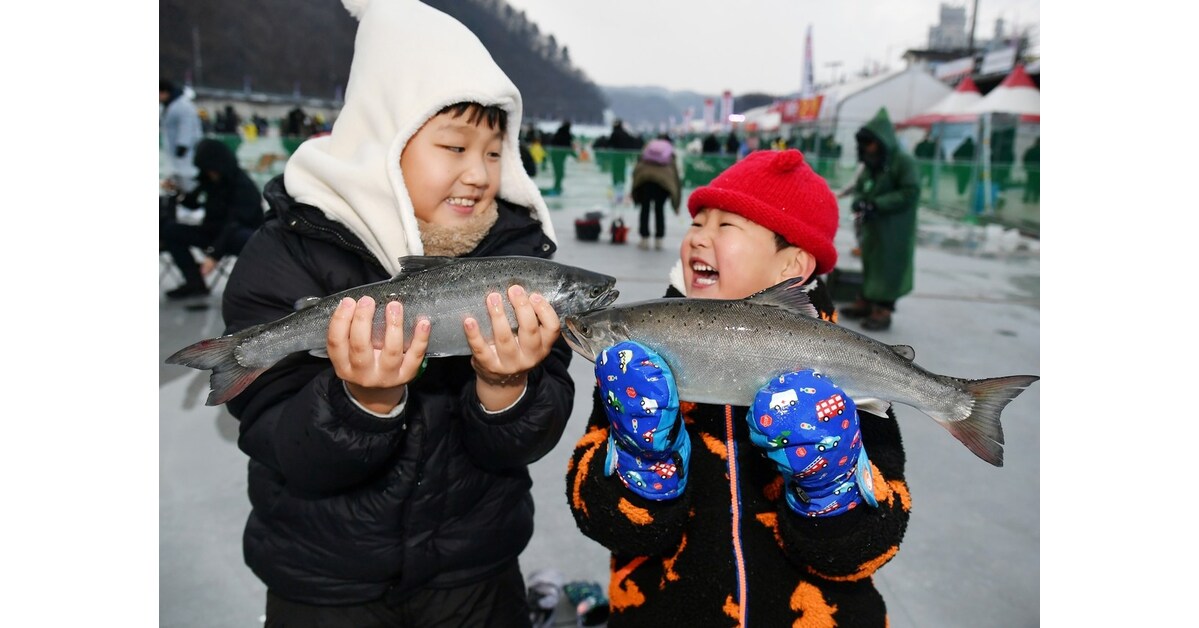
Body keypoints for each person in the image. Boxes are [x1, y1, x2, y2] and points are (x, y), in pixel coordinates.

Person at [219, 0, 573, 625]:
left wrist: (505, 386)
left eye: (495, 152)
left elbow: (525, 440)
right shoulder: (289, 249)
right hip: (324, 581)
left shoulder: (519, 263)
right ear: (384, 140)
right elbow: (281, 441)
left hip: (477, 574)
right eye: (454, 146)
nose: (478, 174)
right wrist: (362, 401)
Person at [565, 149, 910, 626]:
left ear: (792, 267)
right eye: (696, 223)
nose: (699, 239)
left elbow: (869, 549)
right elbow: (606, 523)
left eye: (726, 227)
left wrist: (831, 486)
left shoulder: (842, 377)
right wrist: (640, 458)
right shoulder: (640, 359)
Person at [841, 108, 920, 331]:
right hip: (873, 226)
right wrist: (860, 202)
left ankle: (883, 309)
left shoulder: (903, 162)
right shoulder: (872, 163)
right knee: (871, 263)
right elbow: (861, 186)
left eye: (871, 143)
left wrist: (878, 203)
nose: (867, 148)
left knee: (890, 267)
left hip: (894, 227)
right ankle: (866, 300)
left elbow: (910, 191)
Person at [160, 138, 264, 300]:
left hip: (240, 236)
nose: (210, 173)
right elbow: (194, 203)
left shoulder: (243, 186)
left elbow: (235, 223)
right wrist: (177, 191)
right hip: (215, 232)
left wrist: (215, 254)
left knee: (239, 235)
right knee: (171, 230)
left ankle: (255, 289)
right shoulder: (210, 181)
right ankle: (194, 283)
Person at [630, 137, 681, 251]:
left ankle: (644, 238)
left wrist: (634, 192)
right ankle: (659, 239)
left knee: (645, 209)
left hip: (645, 181)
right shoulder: (670, 153)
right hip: (663, 184)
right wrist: (676, 204)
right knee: (659, 209)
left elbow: (636, 170)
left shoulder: (647, 149)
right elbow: (676, 178)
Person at [160, 78, 204, 194]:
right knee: (176, 177)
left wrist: (183, 145)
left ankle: (190, 203)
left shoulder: (182, 106)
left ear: (164, 92)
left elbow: (187, 126)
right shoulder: (168, 106)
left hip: (185, 151)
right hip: (175, 151)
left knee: (187, 177)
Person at [606, 120, 644, 203]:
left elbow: (609, 143)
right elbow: (632, 143)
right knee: (621, 173)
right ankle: (620, 190)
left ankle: (617, 191)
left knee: (616, 173)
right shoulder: (625, 133)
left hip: (616, 158)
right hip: (623, 158)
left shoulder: (614, 133)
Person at [546, 120, 576, 196]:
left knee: (558, 173)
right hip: (559, 157)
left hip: (555, 156)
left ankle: (557, 186)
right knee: (560, 173)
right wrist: (575, 155)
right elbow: (568, 147)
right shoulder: (566, 135)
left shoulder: (558, 133)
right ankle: (557, 187)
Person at [1022, 136, 1039, 203]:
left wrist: (1026, 167)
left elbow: (1025, 159)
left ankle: (1026, 197)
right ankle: (1035, 198)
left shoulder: (1030, 150)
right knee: (1037, 184)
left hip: (1030, 169)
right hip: (1038, 171)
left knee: (1029, 183)